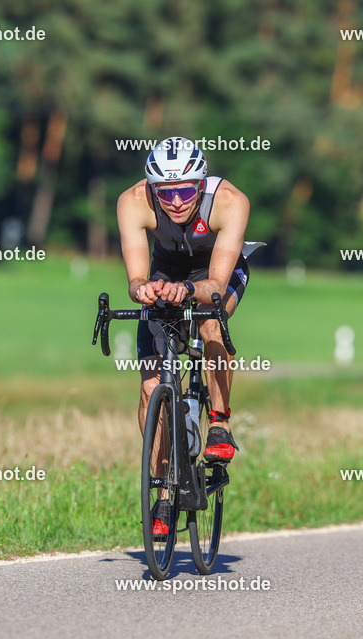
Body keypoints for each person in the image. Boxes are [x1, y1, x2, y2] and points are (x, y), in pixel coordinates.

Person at [116, 136, 255, 537]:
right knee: (149, 388)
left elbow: (214, 284)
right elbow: (137, 275)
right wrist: (142, 289)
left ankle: (220, 423)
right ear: (151, 189)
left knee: (210, 321)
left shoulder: (230, 201)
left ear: (202, 183)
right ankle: (162, 490)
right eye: (166, 192)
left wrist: (190, 291)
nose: (176, 201)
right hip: (166, 269)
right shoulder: (132, 201)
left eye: (185, 190)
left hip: (215, 271)